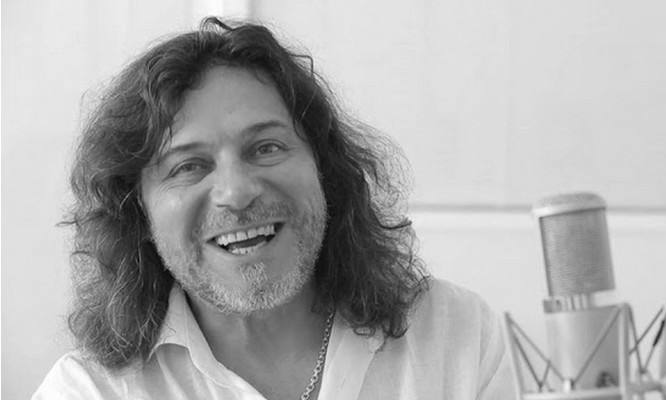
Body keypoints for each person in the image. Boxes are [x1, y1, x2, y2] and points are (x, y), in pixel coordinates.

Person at [34, 18, 514, 400]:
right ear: (136, 211)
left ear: (324, 168)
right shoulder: (88, 391)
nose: (237, 192)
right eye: (188, 166)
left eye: (266, 147)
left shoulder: (457, 337)